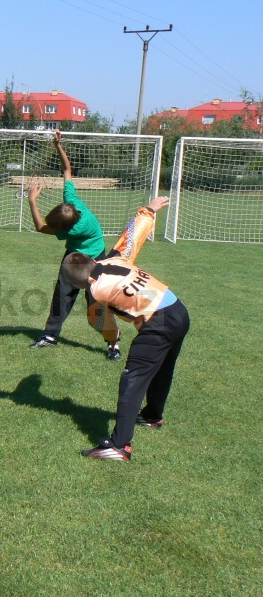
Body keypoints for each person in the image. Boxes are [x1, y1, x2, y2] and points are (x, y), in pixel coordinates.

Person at [61, 196, 190, 461]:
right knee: (162, 369)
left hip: (159, 323)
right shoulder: (114, 260)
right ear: (92, 262)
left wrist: (113, 337)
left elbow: (101, 323)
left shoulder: (96, 294)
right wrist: (149, 210)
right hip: (179, 310)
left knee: (133, 379)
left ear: (78, 283)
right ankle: (153, 416)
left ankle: (119, 446)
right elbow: (131, 237)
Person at [27, 129, 121, 360]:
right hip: (74, 257)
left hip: (95, 260)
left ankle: (113, 344)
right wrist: (58, 144)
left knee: (96, 304)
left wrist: (32, 200)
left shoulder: (74, 228)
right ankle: (50, 336)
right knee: (62, 296)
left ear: (66, 227)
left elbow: (40, 227)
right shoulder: (73, 202)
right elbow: (67, 170)